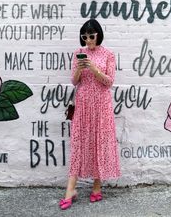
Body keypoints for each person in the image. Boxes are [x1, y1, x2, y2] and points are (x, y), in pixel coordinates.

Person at [59, 19, 121, 210]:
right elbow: (74, 82)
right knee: (79, 143)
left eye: (91, 36)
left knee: (99, 142)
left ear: (98, 35)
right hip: (83, 103)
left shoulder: (108, 54)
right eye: (84, 36)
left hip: (102, 104)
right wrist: (79, 69)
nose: (88, 40)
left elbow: (109, 82)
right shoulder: (78, 53)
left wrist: (93, 68)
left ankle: (97, 186)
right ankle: (71, 189)